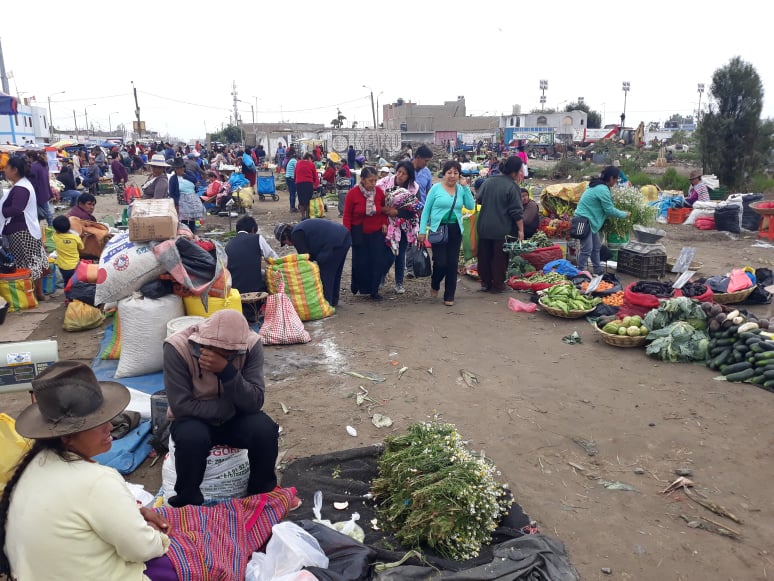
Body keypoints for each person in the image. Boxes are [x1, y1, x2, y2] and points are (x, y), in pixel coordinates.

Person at [0, 361, 175, 580]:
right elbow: (142, 549)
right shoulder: (97, 480)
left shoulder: (34, 464)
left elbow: (73, 519)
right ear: (66, 436)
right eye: (97, 422)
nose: (110, 426)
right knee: (178, 558)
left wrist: (134, 515)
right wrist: (157, 534)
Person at [163, 310, 281, 508]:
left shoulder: (251, 345)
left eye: (227, 353)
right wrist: (229, 409)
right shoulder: (177, 347)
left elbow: (255, 401)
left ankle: (261, 492)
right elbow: (181, 406)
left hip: (236, 416)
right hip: (195, 417)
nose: (216, 353)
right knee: (192, 438)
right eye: (210, 348)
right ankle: (187, 500)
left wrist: (226, 371)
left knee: (265, 430)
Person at [417, 160, 475, 306]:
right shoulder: (435, 189)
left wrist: (466, 187)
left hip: (456, 229)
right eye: (449, 172)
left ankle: (449, 296)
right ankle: (435, 283)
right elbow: (426, 211)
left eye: (456, 173)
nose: (452, 176)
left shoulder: (461, 189)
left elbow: (470, 206)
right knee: (441, 262)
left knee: (452, 263)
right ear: (444, 174)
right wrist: (422, 231)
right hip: (438, 229)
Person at [342, 166, 396, 300]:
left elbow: (384, 209)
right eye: (370, 181)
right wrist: (346, 233)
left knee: (378, 260)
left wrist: (385, 223)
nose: (373, 184)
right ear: (362, 180)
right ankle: (357, 285)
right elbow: (347, 215)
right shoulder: (353, 194)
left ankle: (374, 290)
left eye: (375, 180)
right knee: (360, 261)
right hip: (358, 231)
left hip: (376, 231)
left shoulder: (378, 192)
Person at [0, 156, 49, 301]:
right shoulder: (21, 185)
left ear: (14, 170)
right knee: (34, 262)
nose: (4, 170)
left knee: (27, 264)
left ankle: (32, 295)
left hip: (22, 232)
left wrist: (3, 211)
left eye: (7, 168)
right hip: (25, 229)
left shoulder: (21, 188)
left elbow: (16, 209)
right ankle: (36, 293)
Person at [475, 157, 525, 293]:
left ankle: (485, 283)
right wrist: (521, 230)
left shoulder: (488, 181)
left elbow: (478, 199)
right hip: (502, 228)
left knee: (484, 255)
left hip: (484, 226)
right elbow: (516, 211)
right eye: (520, 170)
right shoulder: (512, 186)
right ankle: (497, 285)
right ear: (514, 172)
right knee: (500, 258)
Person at [275, 220, 352, 307]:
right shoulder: (300, 229)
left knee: (326, 272)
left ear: (286, 235)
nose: (288, 245)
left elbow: (306, 258)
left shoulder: (296, 234)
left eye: (285, 242)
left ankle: (327, 303)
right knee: (335, 271)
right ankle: (333, 300)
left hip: (334, 241)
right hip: (344, 236)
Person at [574, 165, 630, 274]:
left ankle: (598, 271)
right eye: (616, 179)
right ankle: (579, 272)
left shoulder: (598, 185)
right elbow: (609, 210)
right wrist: (624, 214)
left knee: (596, 247)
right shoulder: (602, 189)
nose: (616, 182)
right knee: (587, 249)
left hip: (590, 222)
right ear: (611, 178)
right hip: (583, 221)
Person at [377, 160, 419, 294]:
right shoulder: (384, 183)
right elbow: (376, 201)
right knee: (387, 254)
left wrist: (398, 212)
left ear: (409, 176)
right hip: (385, 224)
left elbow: (415, 208)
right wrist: (385, 211)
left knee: (400, 254)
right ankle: (381, 278)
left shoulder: (413, 189)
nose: (400, 175)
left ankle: (399, 283)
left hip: (403, 225)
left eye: (404, 174)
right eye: (399, 172)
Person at [225, 215, 277, 301]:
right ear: (253, 229)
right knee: (268, 277)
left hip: (235, 292)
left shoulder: (228, 245)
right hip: (255, 290)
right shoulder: (257, 238)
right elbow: (273, 258)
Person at [51, 215, 83, 287]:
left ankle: (68, 296)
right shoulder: (75, 238)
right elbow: (81, 247)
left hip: (62, 266)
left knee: (66, 281)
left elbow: (55, 234)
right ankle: (75, 295)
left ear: (56, 230)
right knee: (75, 282)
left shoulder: (55, 237)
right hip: (75, 265)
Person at [27, 150, 54, 225]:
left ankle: (51, 228)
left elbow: (33, 182)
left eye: (28, 158)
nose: (27, 159)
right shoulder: (44, 165)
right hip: (44, 192)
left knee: (44, 213)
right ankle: (50, 227)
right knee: (45, 212)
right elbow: (46, 180)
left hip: (38, 193)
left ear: (31, 157)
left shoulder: (34, 166)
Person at [294, 153, 319, 220]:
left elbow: (295, 173)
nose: (312, 161)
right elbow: (315, 175)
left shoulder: (298, 163)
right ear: (309, 158)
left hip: (299, 183)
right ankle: (308, 216)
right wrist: (315, 184)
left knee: (301, 199)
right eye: (311, 159)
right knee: (308, 200)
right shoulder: (311, 164)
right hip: (308, 183)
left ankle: (303, 216)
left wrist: (295, 181)